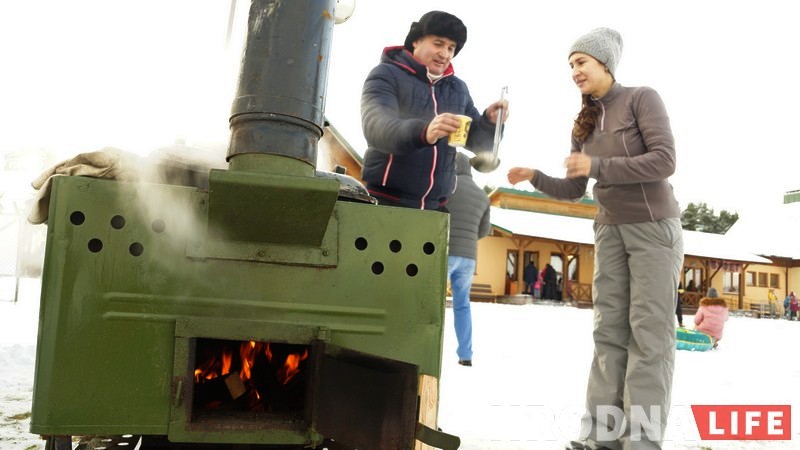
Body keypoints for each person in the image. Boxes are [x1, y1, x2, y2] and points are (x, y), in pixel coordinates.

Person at [507, 27, 683, 450]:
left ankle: (640, 440)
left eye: (581, 61)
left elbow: (664, 160)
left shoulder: (642, 98)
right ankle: (600, 437)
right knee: (608, 333)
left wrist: (598, 164)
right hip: (607, 230)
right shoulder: (583, 123)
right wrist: (534, 177)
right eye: (570, 64)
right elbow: (573, 190)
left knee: (648, 335)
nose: (574, 71)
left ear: (605, 62)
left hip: (653, 228)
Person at [360, 10, 508, 210]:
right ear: (416, 41)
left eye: (451, 48)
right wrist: (424, 132)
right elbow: (376, 127)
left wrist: (490, 122)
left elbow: (477, 143)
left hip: (436, 207)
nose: (445, 53)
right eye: (438, 44)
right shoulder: (386, 74)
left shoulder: (458, 88)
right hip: (386, 201)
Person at [446, 152, 491, 367]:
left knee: (431, 302)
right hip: (469, 257)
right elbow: (484, 231)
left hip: (446, 253)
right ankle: (465, 355)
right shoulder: (483, 196)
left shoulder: (448, 187)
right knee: (462, 305)